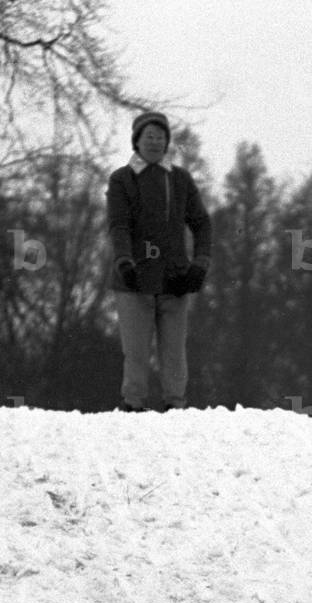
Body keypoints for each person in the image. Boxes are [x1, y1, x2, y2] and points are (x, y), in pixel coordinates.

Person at [106, 111, 212, 411]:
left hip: (175, 279)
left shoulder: (180, 179)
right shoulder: (122, 179)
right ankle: (133, 404)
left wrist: (199, 264)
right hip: (134, 281)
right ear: (136, 141)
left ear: (167, 142)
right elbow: (119, 225)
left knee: (175, 352)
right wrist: (125, 261)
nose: (155, 142)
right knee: (136, 352)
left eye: (160, 137)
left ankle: (175, 406)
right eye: (149, 136)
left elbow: (202, 223)